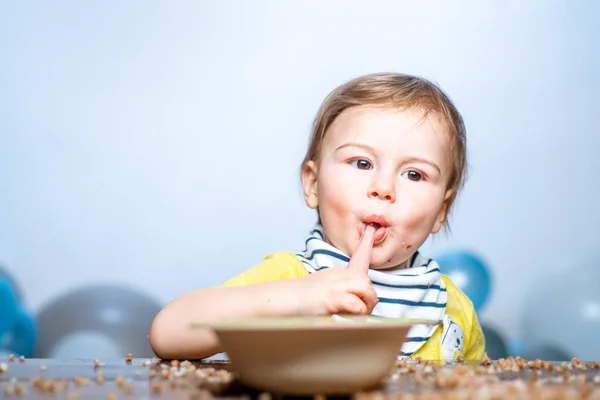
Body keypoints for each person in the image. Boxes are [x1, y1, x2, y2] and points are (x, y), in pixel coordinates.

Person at [149, 72, 486, 361]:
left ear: (441, 210)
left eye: (414, 175)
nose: (383, 189)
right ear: (313, 184)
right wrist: (298, 299)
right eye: (362, 163)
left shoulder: (453, 309)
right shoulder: (289, 278)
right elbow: (168, 332)